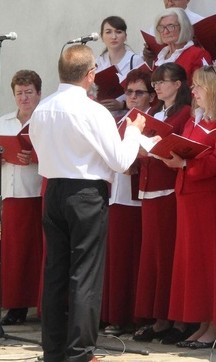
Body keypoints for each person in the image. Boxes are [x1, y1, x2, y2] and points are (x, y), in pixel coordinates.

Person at [29, 45, 146, 362]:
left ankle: (53, 350)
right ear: (91, 73)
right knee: (85, 274)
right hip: (86, 194)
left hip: (53, 190)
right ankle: (81, 352)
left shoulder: (42, 108)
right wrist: (133, 132)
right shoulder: (94, 111)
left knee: (55, 273)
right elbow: (121, 161)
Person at [162, 66, 216, 349]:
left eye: (198, 86)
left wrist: (186, 164)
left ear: (213, 88)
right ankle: (203, 322)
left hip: (211, 198)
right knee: (194, 263)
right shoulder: (195, 119)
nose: (192, 91)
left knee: (213, 260)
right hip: (188, 196)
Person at [133, 63, 193, 345]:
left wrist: (155, 145)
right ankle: (159, 318)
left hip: (168, 188)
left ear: (179, 84)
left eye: (162, 82)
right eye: (155, 82)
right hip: (148, 187)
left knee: (169, 255)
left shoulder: (183, 113)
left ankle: (177, 320)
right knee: (153, 257)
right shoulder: (154, 113)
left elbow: (181, 146)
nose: (156, 87)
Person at [0, 70, 43, 326]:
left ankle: (42, 305)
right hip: (11, 195)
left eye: (29, 92)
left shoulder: (45, 119)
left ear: (39, 93)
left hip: (38, 194)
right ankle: (15, 306)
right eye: (19, 93)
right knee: (14, 254)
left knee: (40, 252)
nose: (24, 98)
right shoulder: (4, 121)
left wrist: (34, 156)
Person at [100, 66, 155, 336]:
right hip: (116, 195)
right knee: (117, 259)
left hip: (137, 198)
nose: (132, 97)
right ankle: (113, 314)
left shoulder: (152, 120)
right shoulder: (122, 120)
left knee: (132, 259)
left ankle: (130, 316)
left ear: (151, 97)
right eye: (129, 92)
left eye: (139, 92)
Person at [150, 7, 212, 83]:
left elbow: (206, 88)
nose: (165, 32)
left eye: (170, 26)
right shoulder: (159, 59)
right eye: (161, 27)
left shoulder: (198, 55)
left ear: (183, 27)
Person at [95, 15, 139, 116]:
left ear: (125, 36)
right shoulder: (97, 63)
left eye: (118, 32)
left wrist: (122, 105)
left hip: (127, 117)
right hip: (102, 117)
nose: (113, 37)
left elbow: (146, 96)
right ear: (102, 36)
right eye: (108, 32)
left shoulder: (135, 61)